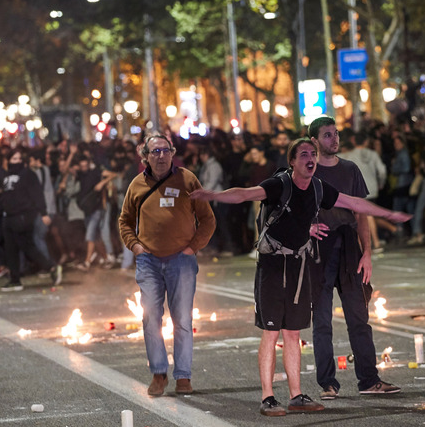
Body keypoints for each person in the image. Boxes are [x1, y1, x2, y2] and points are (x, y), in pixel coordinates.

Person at [190, 137, 410, 417]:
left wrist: (389, 214)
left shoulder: (318, 187)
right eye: (304, 154)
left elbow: (352, 202)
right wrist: (212, 195)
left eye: (313, 154)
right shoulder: (280, 184)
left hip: (299, 264)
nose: (310, 158)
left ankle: (296, 396)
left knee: (293, 333)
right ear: (292, 161)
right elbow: (245, 194)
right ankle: (268, 397)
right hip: (272, 265)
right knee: (271, 332)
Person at [308, 117, 406, 401]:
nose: (334, 139)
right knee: (322, 320)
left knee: (359, 318)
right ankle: (327, 383)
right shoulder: (307, 173)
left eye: (336, 134)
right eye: (327, 135)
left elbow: (361, 214)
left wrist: (367, 253)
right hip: (320, 249)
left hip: (349, 247)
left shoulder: (350, 169)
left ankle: (369, 380)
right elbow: (295, 211)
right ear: (314, 141)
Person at [118, 134, 216, 398]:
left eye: (165, 151)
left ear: (172, 153)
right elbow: (124, 221)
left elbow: (207, 220)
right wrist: (136, 247)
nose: (160, 156)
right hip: (148, 261)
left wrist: (191, 248)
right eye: (155, 152)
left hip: (181, 261)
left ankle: (183, 376)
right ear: (145, 157)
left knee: (182, 319)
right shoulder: (137, 184)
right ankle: (159, 372)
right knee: (150, 317)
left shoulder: (188, 179)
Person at [0, 148, 63, 291]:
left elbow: (37, 194)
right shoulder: (7, 176)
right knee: (11, 249)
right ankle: (15, 279)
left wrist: (43, 212)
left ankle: (51, 267)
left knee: (27, 246)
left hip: (23, 215)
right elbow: (4, 199)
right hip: (9, 217)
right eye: (14, 159)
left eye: (19, 159)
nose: (17, 162)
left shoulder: (28, 174)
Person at [340, 130, 388, 252]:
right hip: (372, 189)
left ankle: (367, 244)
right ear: (366, 142)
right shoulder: (373, 154)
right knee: (368, 215)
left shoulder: (348, 155)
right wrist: (380, 183)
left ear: (354, 141)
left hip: (356, 190)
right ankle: (376, 243)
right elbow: (382, 171)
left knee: (362, 216)